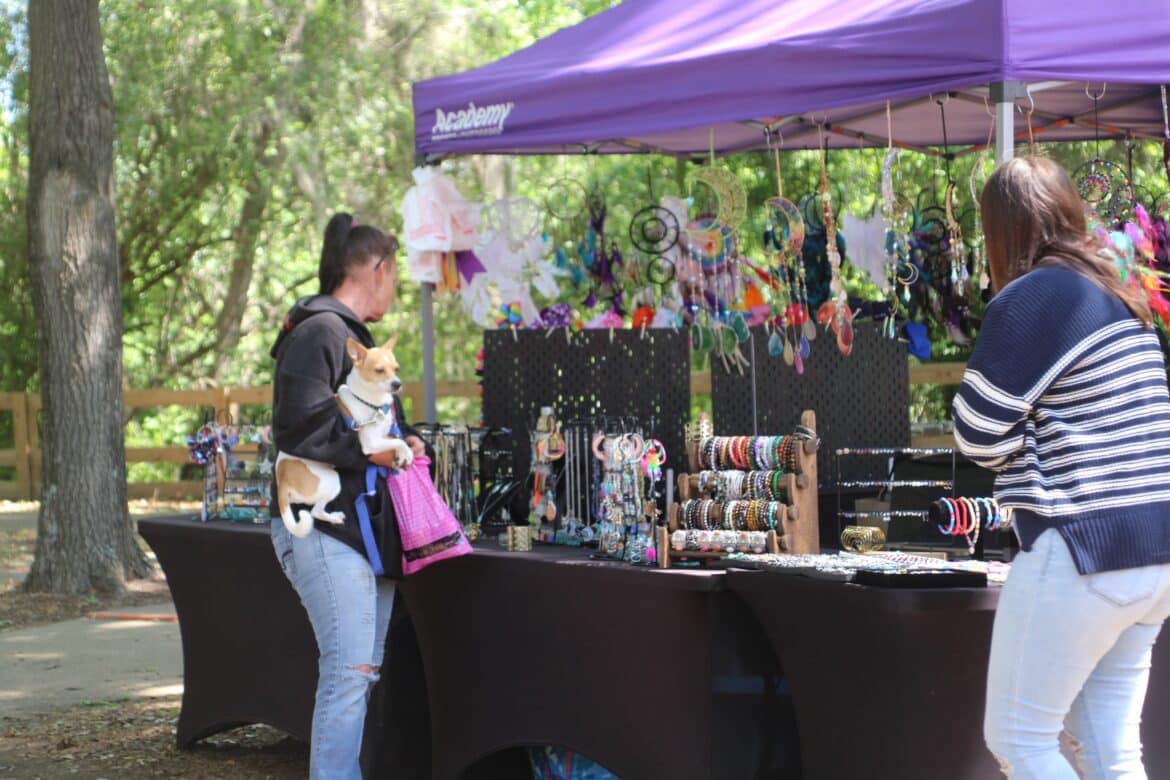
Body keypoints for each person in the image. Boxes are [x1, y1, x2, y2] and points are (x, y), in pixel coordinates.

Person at [953, 156, 1170, 778]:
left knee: (1019, 739)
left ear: (1000, 229)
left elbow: (976, 432)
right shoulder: (1120, 290)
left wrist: (1022, 442)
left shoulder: (1033, 296)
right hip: (1152, 550)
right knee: (1110, 748)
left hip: (1080, 546)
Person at [268, 212, 426, 780]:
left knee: (362, 671)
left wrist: (408, 440)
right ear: (378, 270)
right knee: (349, 673)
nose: (395, 288)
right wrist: (373, 452)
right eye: (395, 276)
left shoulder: (352, 339)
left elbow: (371, 421)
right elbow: (298, 427)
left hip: (364, 532)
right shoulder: (319, 334)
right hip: (324, 527)